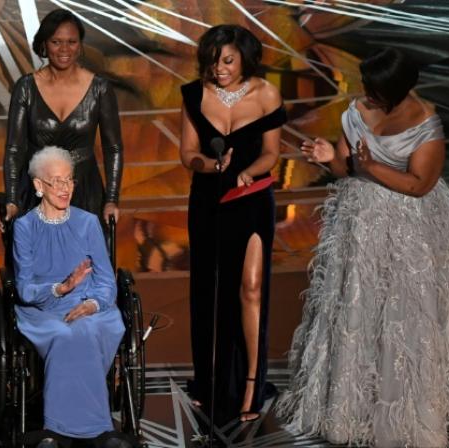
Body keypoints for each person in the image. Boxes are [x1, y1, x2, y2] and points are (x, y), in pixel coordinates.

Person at [278, 47, 449, 447]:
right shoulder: (354, 111)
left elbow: (419, 185)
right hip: (361, 228)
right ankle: (355, 411)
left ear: (397, 89)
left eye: (374, 89)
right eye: (365, 88)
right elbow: (344, 166)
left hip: (410, 231)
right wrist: (327, 158)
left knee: (408, 315)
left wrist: (370, 167)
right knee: (359, 310)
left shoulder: (426, 123)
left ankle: (410, 412)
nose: (365, 95)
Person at [179, 24, 286, 424]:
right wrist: (209, 165)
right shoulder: (193, 95)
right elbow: (187, 153)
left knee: (251, 288)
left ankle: (251, 385)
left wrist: (248, 173)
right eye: (213, 61)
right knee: (210, 291)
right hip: (207, 202)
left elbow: (272, 153)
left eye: (227, 61)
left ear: (244, 57)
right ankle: (210, 383)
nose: (219, 69)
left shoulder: (266, 93)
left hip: (251, 199)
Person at [11, 146, 130, 448]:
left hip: (91, 307)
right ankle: (65, 430)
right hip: (43, 309)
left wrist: (92, 303)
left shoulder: (88, 222)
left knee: (87, 328)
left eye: (70, 181)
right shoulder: (24, 228)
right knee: (65, 334)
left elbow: (105, 280)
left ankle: (90, 429)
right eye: (57, 182)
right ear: (38, 185)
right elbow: (24, 289)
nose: (65, 189)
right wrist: (60, 289)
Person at [0, 8, 123, 230]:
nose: (64, 49)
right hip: (37, 190)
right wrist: (11, 199)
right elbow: (14, 149)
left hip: (85, 190)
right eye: (56, 42)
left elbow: (113, 147)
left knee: (87, 262)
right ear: (44, 45)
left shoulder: (100, 89)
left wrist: (112, 200)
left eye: (71, 42)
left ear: (80, 44)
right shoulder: (25, 87)